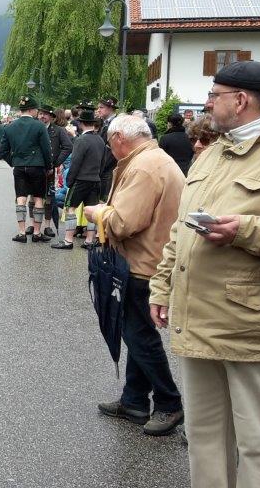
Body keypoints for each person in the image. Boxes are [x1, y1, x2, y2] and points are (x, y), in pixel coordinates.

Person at [150, 60, 260, 487]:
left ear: (241, 100)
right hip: (197, 317)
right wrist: (162, 287)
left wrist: (245, 231)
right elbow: (182, 227)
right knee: (204, 436)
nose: (207, 103)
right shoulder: (212, 152)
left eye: (214, 95)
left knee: (257, 442)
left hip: (248, 324)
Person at [83, 114, 184, 437]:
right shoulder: (154, 160)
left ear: (118, 140)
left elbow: (125, 222)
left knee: (140, 337)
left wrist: (99, 213)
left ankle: (169, 402)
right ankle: (135, 400)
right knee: (138, 333)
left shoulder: (142, 167)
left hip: (143, 262)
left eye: (110, 144)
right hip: (150, 258)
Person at [0, 96, 51, 243]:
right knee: (38, 198)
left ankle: (21, 232)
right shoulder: (39, 126)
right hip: (37, 166)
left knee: (21, 198)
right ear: (32, 110)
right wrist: (48, 166)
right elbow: (46, 149)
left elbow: (2, 151)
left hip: (19, 167)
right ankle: (37, 233)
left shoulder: (10, 127)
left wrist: (14, 161)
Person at [52, 106, 104, 249]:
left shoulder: (81, 140)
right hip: (95, 179)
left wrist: (69, 180)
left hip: (81, 180)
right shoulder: (100, 140)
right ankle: (89, 240)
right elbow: (103, 162)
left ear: (81, 123)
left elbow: (75, 162)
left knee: (70, 208)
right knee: (92, 210)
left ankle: (68, 240)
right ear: (93, 123)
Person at [34, 104, 72, 237]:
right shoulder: (33, 128)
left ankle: (47, 226)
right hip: (34, 168)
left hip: (49, 169)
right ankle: (33, 225)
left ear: (51, 116)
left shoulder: (58, 130)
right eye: (40, 114)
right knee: (33, 198)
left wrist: (56, 163)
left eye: (45, 114)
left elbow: (68, 147)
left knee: (49, 198)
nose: (42, 116)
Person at [96, 97, 119, 200]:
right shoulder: (105, 123)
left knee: (105, 201)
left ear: (110, 108)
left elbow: (113, 149)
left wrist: (101, 166)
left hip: (109, 169)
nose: (98, 110)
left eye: (101, 107)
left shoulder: (116, 124)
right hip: (103, 169)